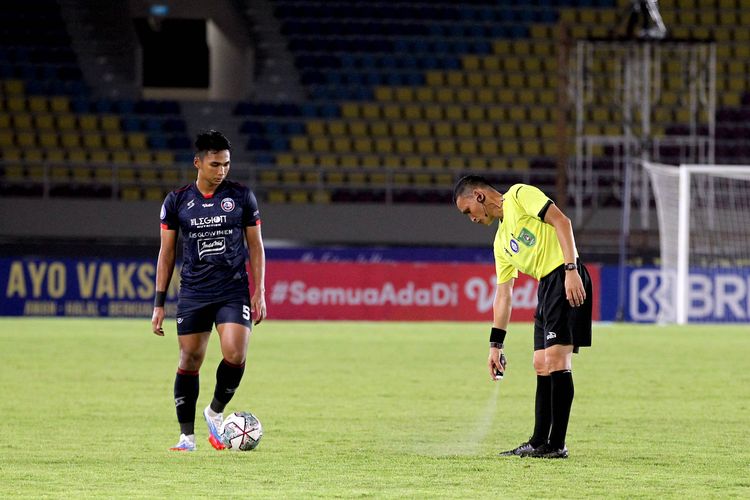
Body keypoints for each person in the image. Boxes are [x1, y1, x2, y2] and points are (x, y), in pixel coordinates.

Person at [453, 175, 592, 459]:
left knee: (556, 360)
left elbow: (561, 222)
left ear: (479, 196)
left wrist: (571, 269)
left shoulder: (519, 195)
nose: (471, 219)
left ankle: (557, 445)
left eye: (468, 211)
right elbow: (503, 294)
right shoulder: (501, 242)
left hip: (564, 275)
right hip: (547, 285)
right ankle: (539, 441)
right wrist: (496, 345)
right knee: (541, 363)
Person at [151, 130, 267, 451]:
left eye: (226, 165)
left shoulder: (242, 197)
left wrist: (259, 290)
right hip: (194, 292)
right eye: (215, 165)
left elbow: (255, 247)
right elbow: (167, 254)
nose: (221, 171)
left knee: (235, 352)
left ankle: (215, 412)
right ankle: (186, 437)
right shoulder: (177, 201)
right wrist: (159, 303)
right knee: (190, 358)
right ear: (198, 163)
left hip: (232, 289)